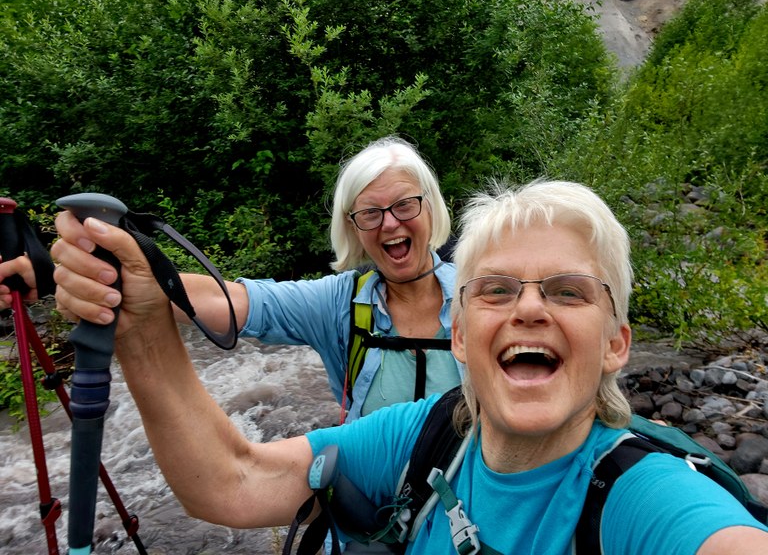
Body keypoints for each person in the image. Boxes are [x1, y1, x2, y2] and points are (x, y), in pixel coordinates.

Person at [51, 178, 768, 554]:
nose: (528, 310)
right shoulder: (426, 431)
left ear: (616, 343)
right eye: (496, 290)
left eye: (567, 292)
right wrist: (145, 319)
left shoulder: (643, 500)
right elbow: (230, 480)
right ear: (461, 333)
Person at [51, 136, 462, 423]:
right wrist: (119, 277)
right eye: (370, 213)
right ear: (354, 229)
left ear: (431, 208)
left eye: (405, 205)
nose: (390, 223)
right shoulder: (338, 304)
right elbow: (228, 301)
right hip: (377, 524)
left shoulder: (481, 292)